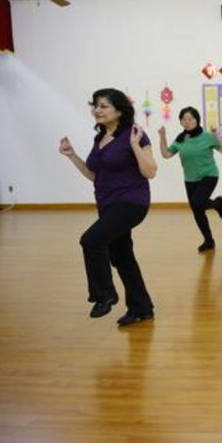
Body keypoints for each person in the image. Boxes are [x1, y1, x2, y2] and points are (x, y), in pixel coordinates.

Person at [59, 88, 158, 326]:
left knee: (91, 240)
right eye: (95, 105)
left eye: (103, 106)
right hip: (107, 204)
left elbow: (150, 171)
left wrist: (135, 145)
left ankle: (105, 295)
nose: (97, 110)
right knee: (122, 256)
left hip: (131, 202)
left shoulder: (135, 135)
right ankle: (142, 307)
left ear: (120, 110)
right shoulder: (99, 138)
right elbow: (95, 176)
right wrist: (72, 156)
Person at [158, 107, 222, 253]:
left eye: (190, 118)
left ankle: (216, 204)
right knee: (197, 210)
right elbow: (166, 154)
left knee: (197, 202)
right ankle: (209, 241)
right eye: (184, 119)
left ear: (197, 120)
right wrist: (162, 137)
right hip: (190, 179)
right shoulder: (180, 139)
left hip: (209, 175)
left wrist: (216, 135)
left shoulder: (208, 136)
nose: (187, 122)